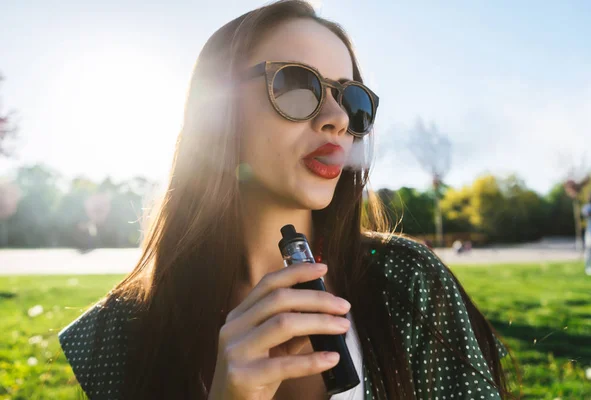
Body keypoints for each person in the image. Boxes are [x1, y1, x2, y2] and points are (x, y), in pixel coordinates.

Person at [58, 1, 515, 399]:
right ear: (215, 115)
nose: (338, 119)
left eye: (352, 99)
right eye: (297, 85)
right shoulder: (119, 333)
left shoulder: (407, 281)